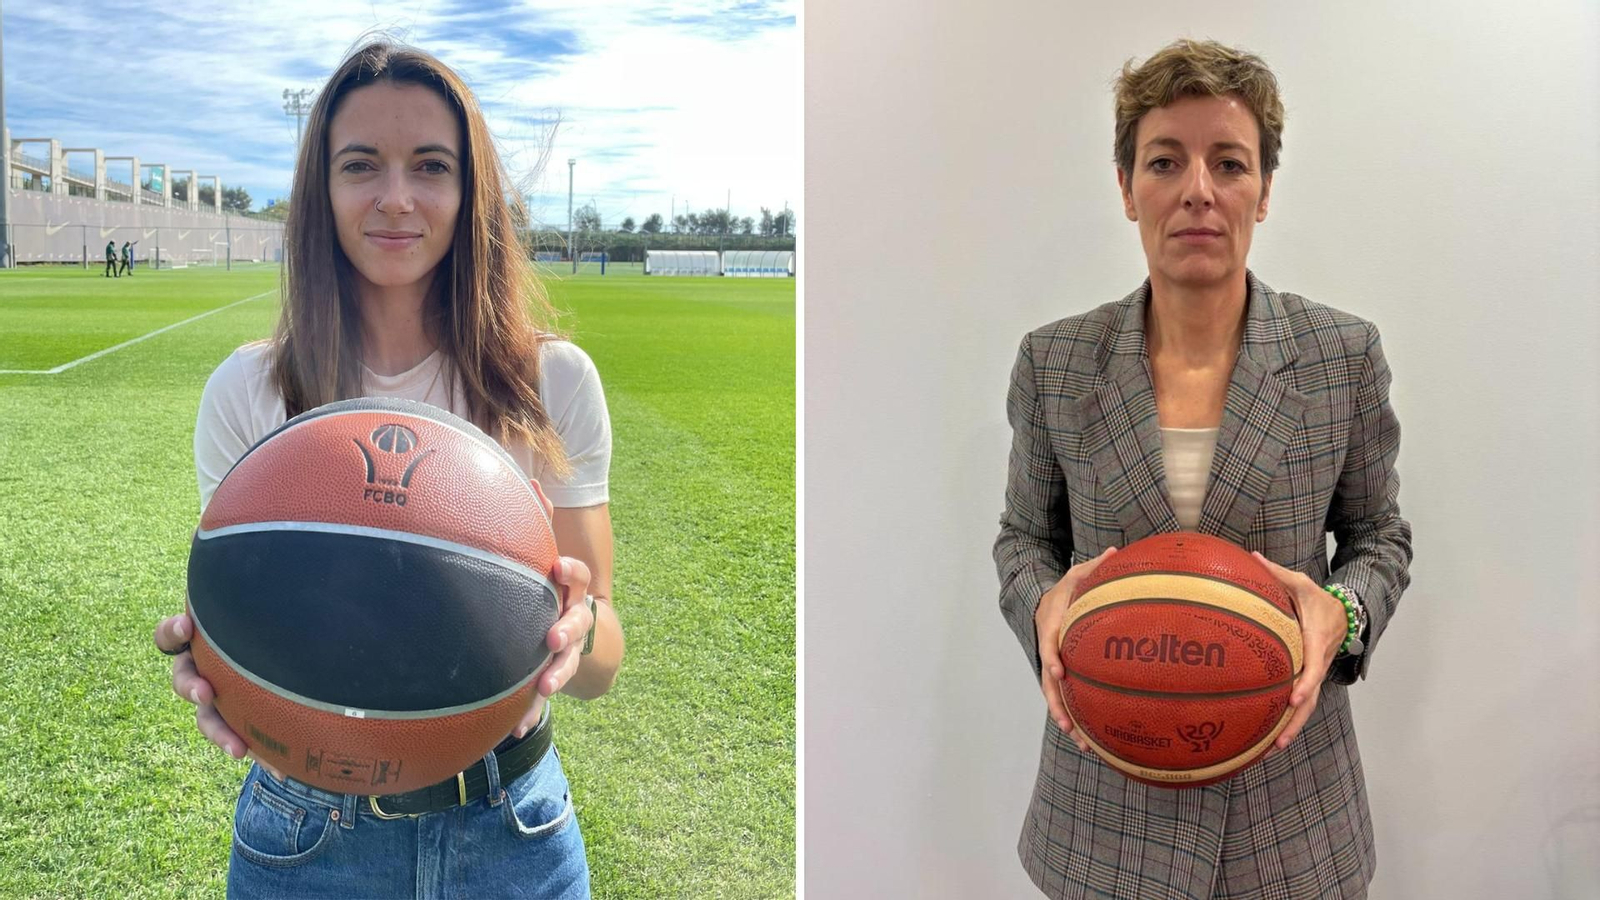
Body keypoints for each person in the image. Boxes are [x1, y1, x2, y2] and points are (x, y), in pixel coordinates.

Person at [150, 38, 622, 899]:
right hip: (304, 836)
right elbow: (257, 612)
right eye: (361, 164)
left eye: (431, 166)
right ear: (321, 189)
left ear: (470, 192)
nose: (396, 197)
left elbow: (602, 664)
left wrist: (575, 633)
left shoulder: (552, 380)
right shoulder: (250, 390)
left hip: (513, 829)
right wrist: (215, 657)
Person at [993, 38, 1412, 900]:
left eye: (1229, 163)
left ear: (1264, 190)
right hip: (1104, 824)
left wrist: (1340, 613)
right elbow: (1025, 538)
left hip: (1292, 825)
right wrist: (1042, 606)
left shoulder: (1341, 355)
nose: (1198, 190)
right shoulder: (1055, 364)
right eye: (1164, 161)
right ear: (1126, 188)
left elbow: (1379, 537)